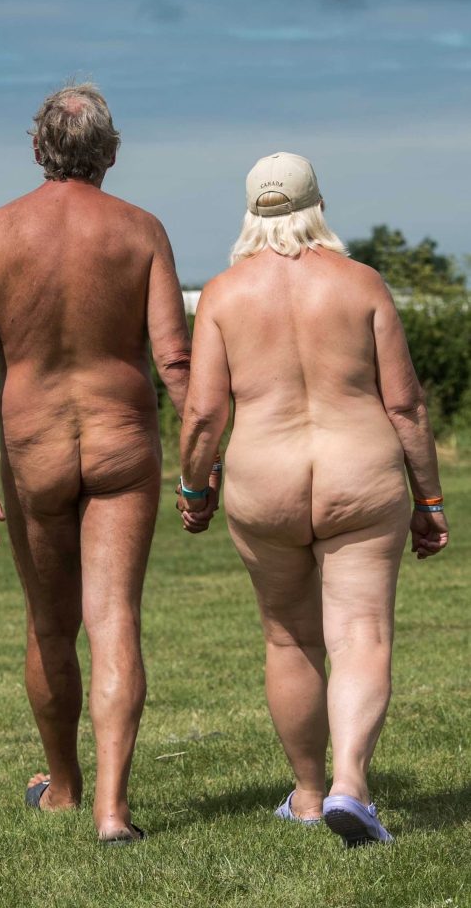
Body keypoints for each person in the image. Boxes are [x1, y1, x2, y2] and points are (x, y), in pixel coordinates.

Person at [178, 152, 448, 846]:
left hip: (262, 482)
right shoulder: (361, 285)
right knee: (359, 634)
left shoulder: (221, 295)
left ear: (250, 211)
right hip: (358, 476)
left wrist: (193, 486)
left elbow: (204, 414)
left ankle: (304, 793)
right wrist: (430, 499)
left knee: (288, 636)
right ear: (316, 204)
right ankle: (350, 787)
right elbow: (407, 405)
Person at [0, 83, 191, 843]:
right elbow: (173, 358)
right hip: (122, 442)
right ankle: (112, 812)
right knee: (114, 618)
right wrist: (206, 457)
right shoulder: (140, 230)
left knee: (51, 625)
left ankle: (63, 786)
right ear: (109, 151)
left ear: (37, 146)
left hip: (34, 449)